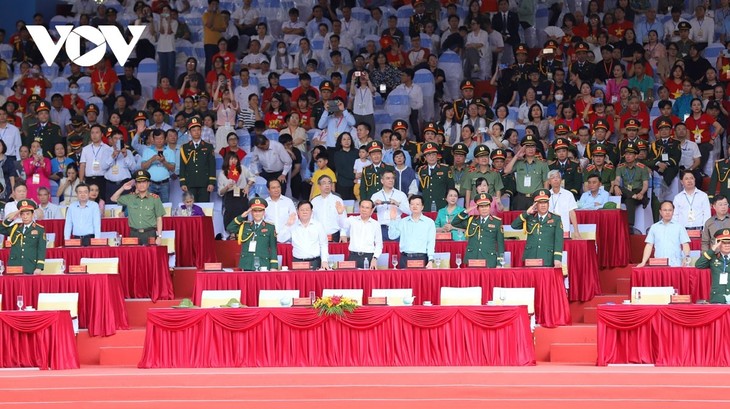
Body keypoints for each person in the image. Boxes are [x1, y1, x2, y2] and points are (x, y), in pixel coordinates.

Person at [510, 189, 564, 268]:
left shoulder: (556, 219)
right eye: (540, 203)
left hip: (547, 258)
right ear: (535, 205)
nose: (543, 205)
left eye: (545, 202)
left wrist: (557, 259)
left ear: (548, 204)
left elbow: (559, 240)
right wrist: (527, 213)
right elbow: (514, 225)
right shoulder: (530, 217)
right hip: (531, 257)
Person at [111, 170, 165, 245]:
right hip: (134, 233)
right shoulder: (130, 198)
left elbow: (159, 219)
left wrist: (159, 236)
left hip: (150, 233)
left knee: (150, 253)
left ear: (148, 184)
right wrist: (123, 188)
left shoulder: (155, 199)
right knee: (134, 253)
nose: (141, 184)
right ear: (135, 185)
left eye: (144, 182)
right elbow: (113, 198)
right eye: (139, 182)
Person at [451, 193, 505, 267]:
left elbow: (500, 244)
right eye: (481, 207)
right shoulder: (471, 220)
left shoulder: (497, 222)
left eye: (486, 206)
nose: (484, 209)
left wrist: (499, 263)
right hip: (473, 259)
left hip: (489, 260)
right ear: (477, 209)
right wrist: (465, 212)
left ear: (490, 207)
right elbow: (454, 223)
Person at [225, 197, 278, 271]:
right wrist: (242, 216)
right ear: (251, 212)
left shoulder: (270, 227)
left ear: (264, 212)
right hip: (247, 264)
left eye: (260, 211)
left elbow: (273, 248)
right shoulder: (245, 226)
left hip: (263, 264)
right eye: (255, 211)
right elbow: (230, 228)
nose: (257, 213)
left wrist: (273, 266)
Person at [637, 201, 691, 267]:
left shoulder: (680, 227)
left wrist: (686, 257)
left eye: (670, 210)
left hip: (676, 264)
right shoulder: (654, 227)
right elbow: (649, 245)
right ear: (660, 212)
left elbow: (685, 244)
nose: (667, 212)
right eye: (665, 210)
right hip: (659, 264)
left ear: (673, 211)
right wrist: (643, 262)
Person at [388, 195, 436, 269]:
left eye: (417, 204)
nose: (414, 206)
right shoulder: (403, 222)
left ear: (422, 207)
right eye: (412, 204)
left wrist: (431, 259)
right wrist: (392, 220)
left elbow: (431, 242)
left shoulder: (429, 222)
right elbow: (392, 236)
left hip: (421, 258)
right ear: (409, 206)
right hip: (405, 258)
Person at [279, 201, 330, 270]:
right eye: (302, 210)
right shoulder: (292, 225)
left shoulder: (318, 225)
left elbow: (323, 244)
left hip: (315, 261)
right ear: (297, 212)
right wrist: (287, 225)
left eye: (307, 210)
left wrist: (324, 261)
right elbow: (280, 239)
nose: (304, 212)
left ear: (311, 212)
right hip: (298, 262)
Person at [504, 134, 550, 210]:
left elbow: (546, 182)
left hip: (536, 198)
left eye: (532, 146)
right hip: (520, 199)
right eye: (527, 147)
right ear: (523, 149)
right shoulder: (518, 163)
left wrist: (545, 198)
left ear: (535, 148)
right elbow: (506, 170)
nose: (530, 149)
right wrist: (516, 156)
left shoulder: (542, 164)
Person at [612, 142, 650, 232]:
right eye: (626, 154)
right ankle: (614, 226)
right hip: (626, 192)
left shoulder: (642, 168)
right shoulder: (620, 167)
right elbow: (617, 179)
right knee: (616, 190)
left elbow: (645, 185)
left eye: (630, 154)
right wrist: (616, 186)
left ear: (636, 156)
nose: (628, 156)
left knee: (629, 200)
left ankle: (629, 226)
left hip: (638, 191)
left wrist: (641, 193)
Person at [0, 199, 45, 274]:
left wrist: (39, 267)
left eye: (27, 214)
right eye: (23, 214)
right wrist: (11, 218)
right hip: (14, 266)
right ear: (20, 216)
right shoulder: (15, 228)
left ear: (32, 215)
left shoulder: (39, 229)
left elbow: (41, 250)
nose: (25, 217)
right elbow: (1, 229)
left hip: (30, 265)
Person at [335, 199, 382, 269]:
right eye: (362, 207)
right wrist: (340, 214)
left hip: (369, 257)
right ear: (359, 208)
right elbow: (342, 225)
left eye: (367, 208)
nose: (364, 210)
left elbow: (379, 244)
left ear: (371, 210)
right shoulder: (352, 219)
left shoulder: (376, 224)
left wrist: (375, 258)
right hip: (353, 256)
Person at [179, 117, 216, 202]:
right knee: (191, 207)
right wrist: (182, 182)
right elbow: (182, 166)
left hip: (204, 183)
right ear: (189, 132)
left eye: (198, 130)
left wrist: (211, 182)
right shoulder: (184, 147)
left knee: (204, 207)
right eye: (193, 130)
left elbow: (212, 165)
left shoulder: (208, 146)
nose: (196, 132)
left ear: (201, 131)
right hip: (190, 183)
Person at [217, 151, 255, 231]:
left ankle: (242, 232)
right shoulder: (222, 173)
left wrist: (247, 186)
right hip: (229, 195)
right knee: (230, 213)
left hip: (241, 194)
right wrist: (227, 187)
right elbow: (220, 192)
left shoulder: (241, 168)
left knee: (243, 212)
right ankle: (231, 233)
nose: (234, 161)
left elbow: (252, 177)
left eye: (235, 159)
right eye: (231, 159)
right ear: (227, 160)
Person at [695, 229, 730, 303]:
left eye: (729, 243)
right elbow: (699, 265)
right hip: (717, 297)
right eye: (723, 242)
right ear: (718, 244)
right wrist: (712, 249)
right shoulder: (713, 258)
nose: (727, 245)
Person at [79, 124, 112, 201]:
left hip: (102, 179)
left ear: (102, 134)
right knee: (88, 202)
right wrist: (81, 181)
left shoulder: (107, 148)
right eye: (92, 133)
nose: (94, 135)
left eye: (97, 132)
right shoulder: (85, 149)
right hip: (89, 179)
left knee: (102, 201)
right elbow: (82, 165)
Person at [417, 142, 454, 211]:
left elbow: (451, 187)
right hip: (426, 204)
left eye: (434, 154)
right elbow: (421, 189)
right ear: (425, 157)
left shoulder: (445, 169)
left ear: (437, 156)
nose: (431, 157)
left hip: (441, 204)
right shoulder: (421, 170)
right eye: (428, 155)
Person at [547, 170, 581, 237]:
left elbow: (572, 213)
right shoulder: (546, 195)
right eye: (553, 178)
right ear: (549, 181)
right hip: (548, 229)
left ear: (561, 180)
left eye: (557, 177)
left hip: (564, 229)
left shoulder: (568, 194)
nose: (556, 179)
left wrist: (576, 231)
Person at [311, 175, 345, 243]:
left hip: (334, 235)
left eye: (329, 183)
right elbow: (311, 219)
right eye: (324, 183)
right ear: (319, 186)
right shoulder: (314, 201)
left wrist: (343, 234)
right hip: (317, 236)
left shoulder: (338, 200)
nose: (327, 185)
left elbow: (344, 218)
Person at [264, 179, 296, 243]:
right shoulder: (264, 203)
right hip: (268, 238)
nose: (276, 190)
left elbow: (294, 219)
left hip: (287, 239)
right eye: (273, 188)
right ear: (268, 190)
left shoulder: (288, 201)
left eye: (278, 187)